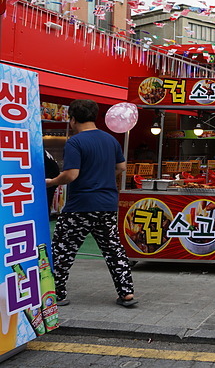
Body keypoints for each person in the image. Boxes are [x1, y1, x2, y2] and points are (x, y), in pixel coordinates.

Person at [45, 99, 137, 308]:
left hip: (81, 205)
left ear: (73, 119)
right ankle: (127, 293)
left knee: (63, 249)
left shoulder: (75, 142)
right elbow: (121, 166)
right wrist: (103, 177)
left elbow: (71, 174)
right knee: (113, 249)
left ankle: (57, 293)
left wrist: (52, 182)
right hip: (107, 204)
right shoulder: (110, 140)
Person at [43, 148, 60, 218]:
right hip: (52, 179)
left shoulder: (38, 151)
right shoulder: (42, 150)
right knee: (46, 204)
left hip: (49, 180)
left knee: (44, 205)